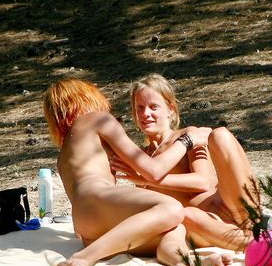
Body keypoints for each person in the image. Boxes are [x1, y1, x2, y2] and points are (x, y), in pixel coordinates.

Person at [42, 78, 230, 266]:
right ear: (88, 98)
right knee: (172, 209)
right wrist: (188, 140)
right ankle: (83, 258)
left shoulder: (64, 152)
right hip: (98, 200)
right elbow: (153, 171)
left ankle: (189, 263)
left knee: (172, 230)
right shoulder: (98, 119)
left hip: (87, 227)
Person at [111, 73, 260, 253]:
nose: (145, 114)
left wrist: (149, 180)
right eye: (139, 108)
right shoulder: (141, 158)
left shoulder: (188, 135)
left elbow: (203, 182)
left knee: (220, 134)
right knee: (182, 215)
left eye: (153, 107)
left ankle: (253, 224)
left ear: (170, 109)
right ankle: (253, 244)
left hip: (232, 204)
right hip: (205, 222)